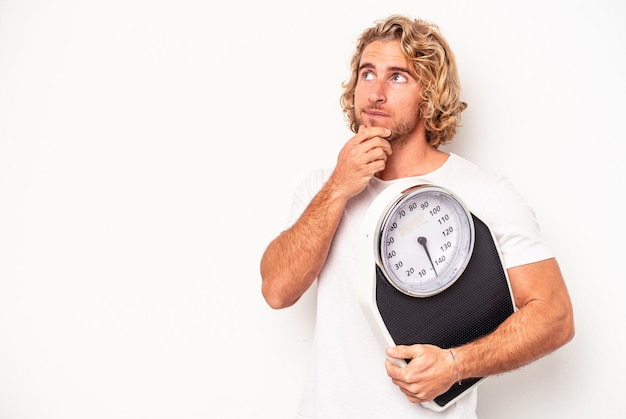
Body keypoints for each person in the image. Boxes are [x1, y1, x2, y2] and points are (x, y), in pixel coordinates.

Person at [259, 14, 574, 419]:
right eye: (367, 73)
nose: (375, 92)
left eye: (397, 77)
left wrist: (456, 365)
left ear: (430, 93)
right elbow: (277, 290)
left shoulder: (485, 194)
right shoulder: (323, 188)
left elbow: (555, 316)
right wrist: (339, 186)